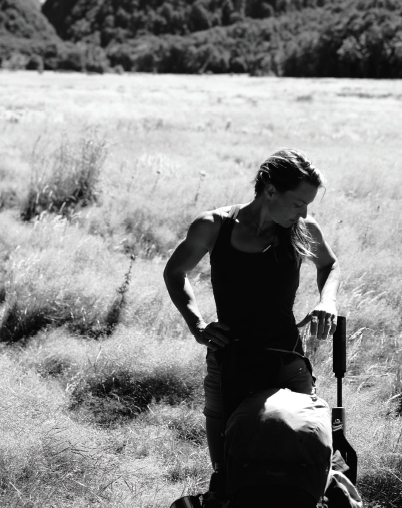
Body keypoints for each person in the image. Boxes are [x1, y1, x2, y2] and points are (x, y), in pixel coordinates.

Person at [163, 148, 340, 503]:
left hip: (287, 361)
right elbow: (175, 271)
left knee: (298, 461)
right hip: (229, 362)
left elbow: (329, 265)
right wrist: (197, 324)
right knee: (228, 471)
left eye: (308, 205)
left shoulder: (304, 230)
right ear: (270, 191)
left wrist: (327, 301)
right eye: (298, 203)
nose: (304, 213)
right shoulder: (214, 225)